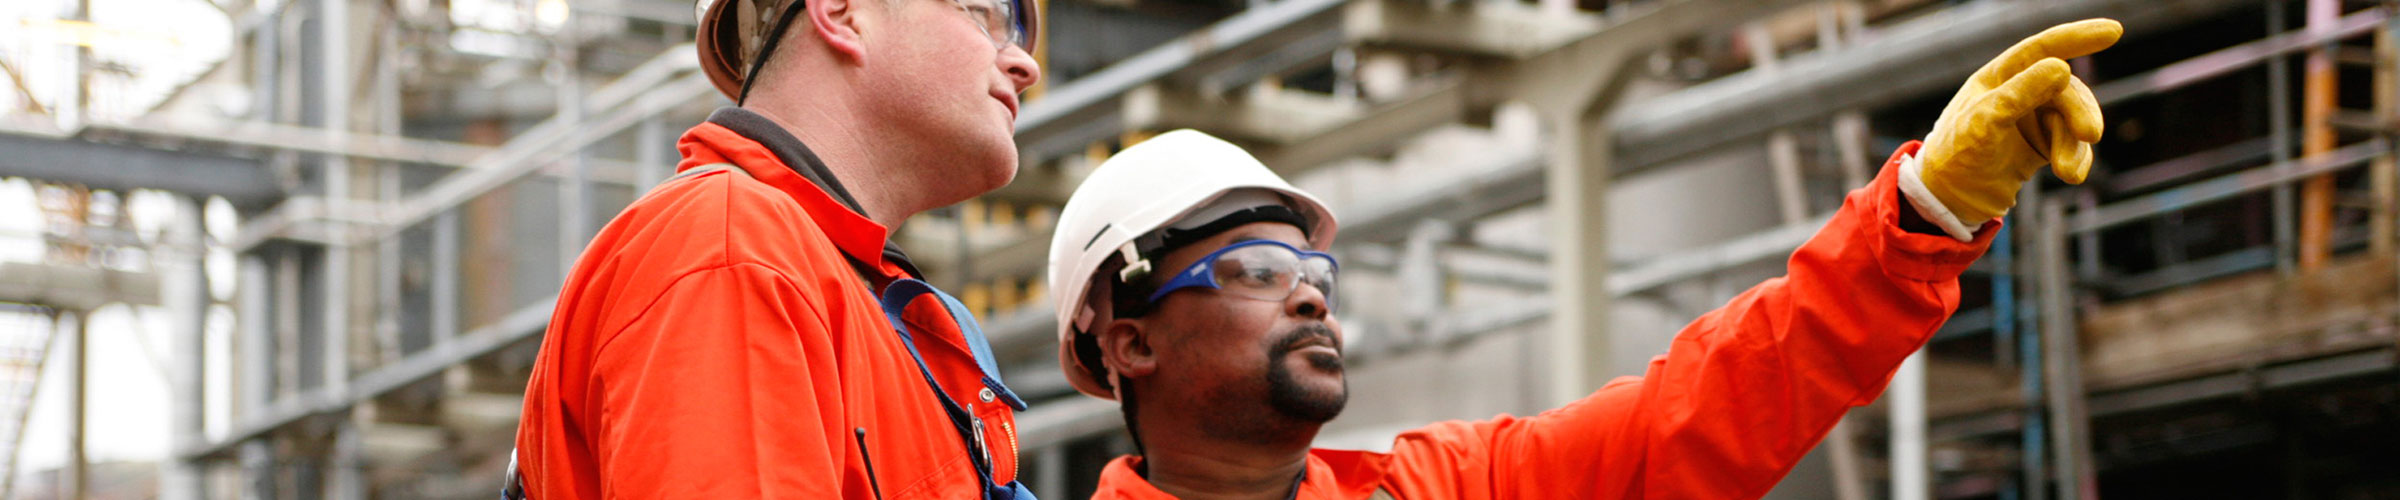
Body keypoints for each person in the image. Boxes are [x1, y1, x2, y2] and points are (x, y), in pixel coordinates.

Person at [1040, 19, 2120, 499]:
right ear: (1130, 340)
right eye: (1252, 273)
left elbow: (1713, 401)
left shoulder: (1457, 484)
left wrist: (1930, 206)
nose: (1308, 300)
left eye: (1312, 273)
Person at [510, 0, 1044, 496]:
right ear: (842, 12)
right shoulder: (730, 246)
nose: (1025, 65)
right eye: (985, 10)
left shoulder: (852, 293)